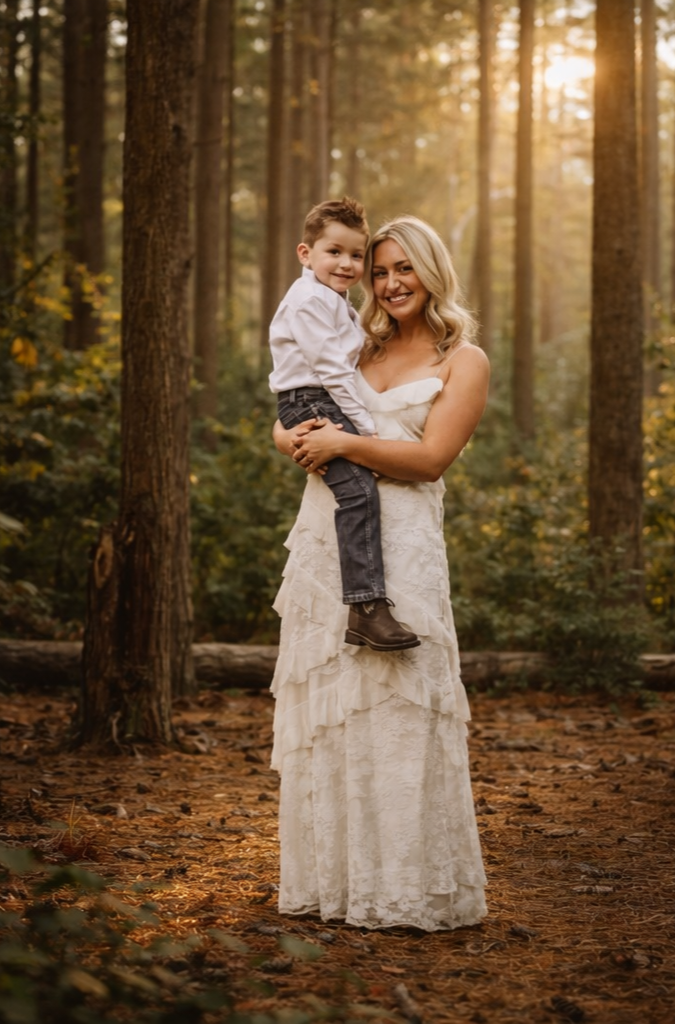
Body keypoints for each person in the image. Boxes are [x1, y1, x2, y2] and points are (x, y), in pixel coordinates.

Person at [270, 215, 490, 931]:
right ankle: (335, 884)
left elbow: (430, 461)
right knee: (335, 705)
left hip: (405, 543)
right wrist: (294, 435)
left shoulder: (465, 361)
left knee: (398, 703)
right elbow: (294, 409)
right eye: (381, 271)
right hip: (328, 536)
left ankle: (403, 888)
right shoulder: (354, 344)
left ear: (432, 272)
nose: (391, 283)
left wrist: (343, 440)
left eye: (406, 270)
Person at [269, 196, 419, 653]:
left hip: (321, 399)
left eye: (357, 255)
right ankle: (366, 609)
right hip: (312, 401)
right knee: (356, 491)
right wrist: (364, 431)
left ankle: (365, 605)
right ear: (305, 253)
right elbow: (333, 371)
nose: (347, 264)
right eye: (334, 251)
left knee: (357, 488)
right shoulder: (310, 301)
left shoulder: (333, 300)